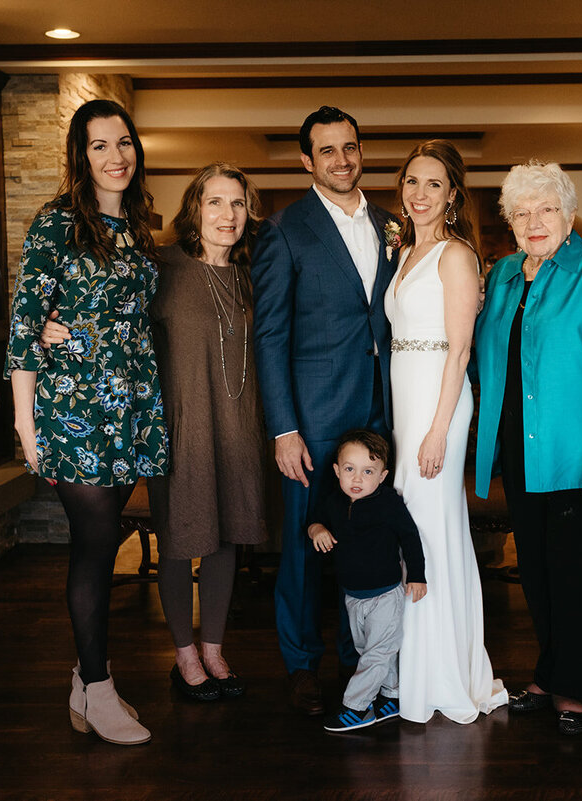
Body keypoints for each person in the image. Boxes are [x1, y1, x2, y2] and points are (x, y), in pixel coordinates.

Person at [41, 163, 268, 703]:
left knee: (226, 539)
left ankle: (214, 649)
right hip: (177, 425)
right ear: (195, 209)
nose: (227, 215)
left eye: (237, 204)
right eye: (215, 202)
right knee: (179, 539)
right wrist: (55, 322)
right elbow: (102, 304)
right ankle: (184, 656)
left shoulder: (255, 273)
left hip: (238, 425)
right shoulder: (159, 265)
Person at [4, 98, 167, 746]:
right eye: (99, 145)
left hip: (131, 409)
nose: (115, 155)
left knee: (102, 545)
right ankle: (97, 688)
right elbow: (23, 323)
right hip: (75, 413)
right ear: (81, 155)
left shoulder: (138, 226)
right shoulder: (55, 224)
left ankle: (86, 675)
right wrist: (26, 425)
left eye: (123, 142)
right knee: (95, 548)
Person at [473, 161, 582, 736]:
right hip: (523, 453)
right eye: (521, 213)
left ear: (568, 215)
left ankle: (575, 688)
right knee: (539, 575)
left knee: (579, 578)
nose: (534, 221)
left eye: (546, 209)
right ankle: (548, 675)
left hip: (580, 456)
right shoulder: (500, 276)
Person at [252, 106, 398, 716]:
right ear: (306, 161)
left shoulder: (394, 225)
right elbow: (269, 335)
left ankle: (357, 657)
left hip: (381, 415)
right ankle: (302, 664)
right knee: (304, 546)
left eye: (351, 147)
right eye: (328, 151)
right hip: (311, 422)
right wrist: (284, 427)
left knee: (368, 544)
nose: (343, 160)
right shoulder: (285, 230)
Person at [384, 139, 507, 724]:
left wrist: (436, 432)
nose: (421, 194)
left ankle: (442, 674)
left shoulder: (456, 255)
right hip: (405, 405)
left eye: (434, 184)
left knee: (431, 530)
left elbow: (459, 351)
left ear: (453, 195)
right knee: (411, 526)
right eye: (412, 182)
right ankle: (414, 662)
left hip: (440, 406)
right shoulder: (406, 250)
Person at [307, 430, 427, 732]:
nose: (357, 479)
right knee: (368, 650)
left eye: (368, 471)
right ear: (337, 471)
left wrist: (416, 576)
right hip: (353, 596)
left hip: (385, 596)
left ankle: (357, 707)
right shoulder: (334, 501)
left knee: (377, 653)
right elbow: (314, 520)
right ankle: (392, 696)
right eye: (349, 469)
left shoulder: (388, 503)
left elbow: (410, 538)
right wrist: (316, 530)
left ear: (383, 475)